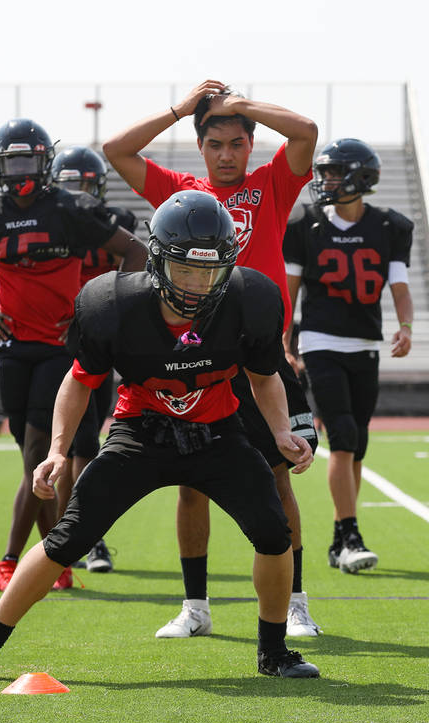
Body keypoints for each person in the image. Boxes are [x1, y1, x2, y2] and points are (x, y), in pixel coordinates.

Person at [0, 191, 319, 683]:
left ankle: (273, 651)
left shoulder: (252, 299)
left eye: (209, 272)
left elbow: (263, 375)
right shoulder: (112, 304)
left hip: (217, 432)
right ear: (157, 261)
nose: (198, 285)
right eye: (184, 269)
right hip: (142, 432)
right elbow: (79, 379)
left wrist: (279, 430)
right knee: (66, 538)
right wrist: (58, 450)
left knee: (274, 535)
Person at [103, 79, 322, 638]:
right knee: (190, 485)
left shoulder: (272, 184)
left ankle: (296, 604)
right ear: (200, 147)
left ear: (251, 146)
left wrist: (241, 105)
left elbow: (306, 132)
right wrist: (182, 108)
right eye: (216, 144)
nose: (227, 155)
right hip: (197, 366)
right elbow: (117, 151)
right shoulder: (182, 196)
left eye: (237, 143)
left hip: (259, 364)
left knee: (278, 483)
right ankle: (195, 608)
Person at [0, 118, 147, 593]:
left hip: (59, 349)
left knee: (36, 459)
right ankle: (59, 562)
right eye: (13, 161)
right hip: (12, 349)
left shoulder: (69, 209)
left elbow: (134, 252)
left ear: (45, 162)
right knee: (35, 464)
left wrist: (99, 311)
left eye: (29, 159)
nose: (21, 170)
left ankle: (11, 560)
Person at [283, 138, 414, 575]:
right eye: (325, 172)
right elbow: (292, 289)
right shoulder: (306, 222)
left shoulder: (389, 226)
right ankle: (352, 532)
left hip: (365, 344)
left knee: (356, 442)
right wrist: (285, 341)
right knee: (340, 434)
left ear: (361, 177)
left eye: (335, 173)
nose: (326, 181)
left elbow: (398, 285)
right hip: (320, 342)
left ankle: (341, 538)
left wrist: (406, 325)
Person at [47, 145, 140, 573]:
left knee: (91, 440)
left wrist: (110, 308)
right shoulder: (55, 220)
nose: (79, 193)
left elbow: (135, 261)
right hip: (61, 335)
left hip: (101, 332)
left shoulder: (114, 220)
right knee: (72, 443)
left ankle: (84, 533)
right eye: (71, 185)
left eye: (85, 185)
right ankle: (79, 534)